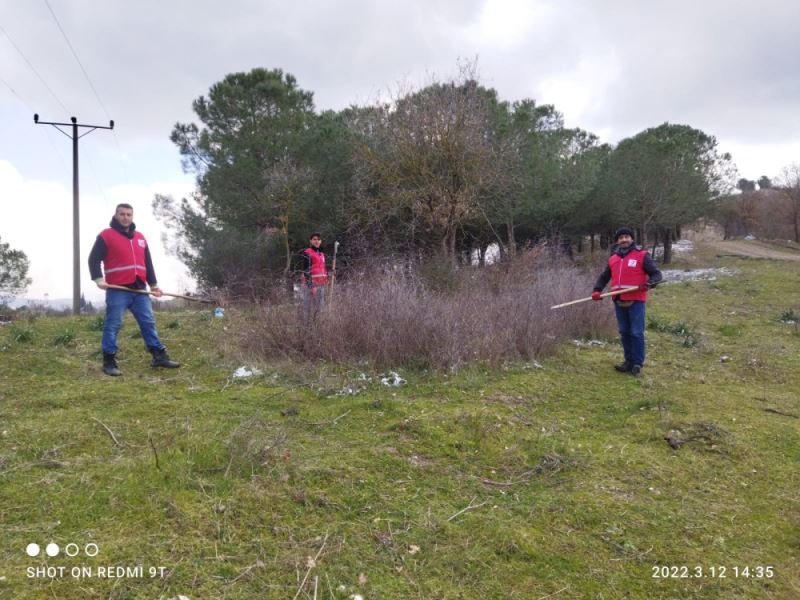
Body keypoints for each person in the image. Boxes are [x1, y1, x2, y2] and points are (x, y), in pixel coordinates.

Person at [88, 203, 180, 376]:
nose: (125, 217)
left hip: (140, 290)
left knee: (148, 322)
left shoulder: (140, 237)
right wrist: (98, 279)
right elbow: (93, 259)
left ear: (132, 216)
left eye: (129, 214)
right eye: (122, 214)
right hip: (118, 289)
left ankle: (158, 356)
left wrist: (153, 285)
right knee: (113, 324)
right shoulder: (106, 235)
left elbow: (148, 263)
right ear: (116, 215)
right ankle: (109, 361)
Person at [592, 227, 662, 376]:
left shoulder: (642, 255)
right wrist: (597, 290)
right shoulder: (613, 259)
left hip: (636, 300)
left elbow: (657, 275)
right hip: (618, 301)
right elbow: (604, 277)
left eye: (626, 237)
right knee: (624, 332)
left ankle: (637, 364)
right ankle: (628, 362)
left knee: (636, 333)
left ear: (632, 239)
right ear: (617, 241)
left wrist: (649, 284)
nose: (624, 240)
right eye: (621, 238)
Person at [297, 232, 329, 321]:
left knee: (320, 309)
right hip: (310, 285)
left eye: (318, 239)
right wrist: (311, 286)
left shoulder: (321, 254)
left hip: (321, 285)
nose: (317, 241)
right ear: (310, 241)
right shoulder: (307, 253)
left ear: (321, 241)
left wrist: (329, 275)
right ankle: (306, 328)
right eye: (314, 239)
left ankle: (317, 327)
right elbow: (306, 270)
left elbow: (322, 268)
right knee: (308, 309)